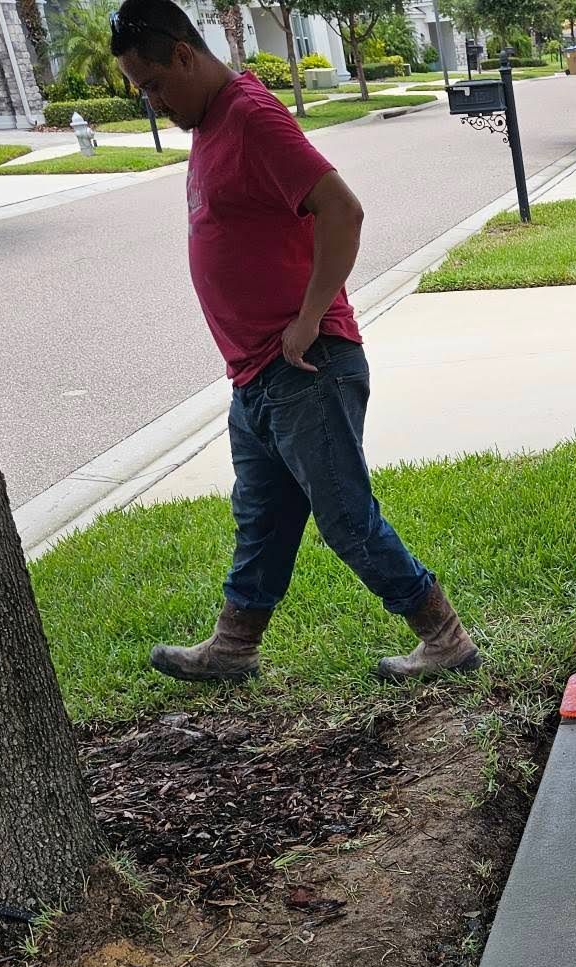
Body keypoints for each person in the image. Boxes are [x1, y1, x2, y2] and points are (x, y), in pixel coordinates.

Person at [111, 0, 478, 686]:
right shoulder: (211, 120)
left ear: (185, 55)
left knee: (344, 516)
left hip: (307, 365)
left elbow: (342, 208)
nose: (153, 102)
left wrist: (310, 317)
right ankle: (233, 648)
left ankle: (446, 638)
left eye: (153, 84)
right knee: (262, 517)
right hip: (256, 373)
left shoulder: (250, 117)